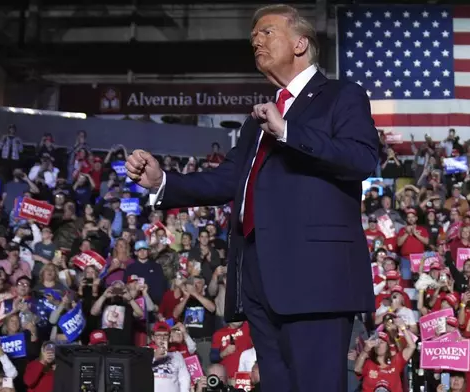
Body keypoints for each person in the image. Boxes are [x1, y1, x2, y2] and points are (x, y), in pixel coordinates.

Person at [125, 4, 378, 392]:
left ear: (300, 44)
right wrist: (164, 181)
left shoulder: (342, 96)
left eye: (266, 32)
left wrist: (290, 132)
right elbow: (229, 179)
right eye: (253, 36)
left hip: (316, 278)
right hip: (259, 277)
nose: (255, 40)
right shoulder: (260, 117)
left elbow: (361, 159)